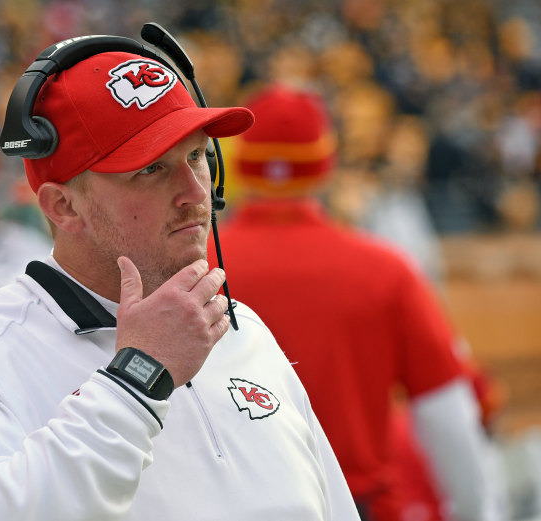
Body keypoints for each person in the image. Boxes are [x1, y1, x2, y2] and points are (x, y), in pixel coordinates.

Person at [0, 39, 361, 521]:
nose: (193, 192)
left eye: (197, 156)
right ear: (64, 206)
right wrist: (137, 379)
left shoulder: (240, 326)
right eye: (151, 169)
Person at [211, 84, 501, 521]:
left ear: (241, 165)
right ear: (326, 165)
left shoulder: (194, 268)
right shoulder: (385, 271)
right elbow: (450, 421)